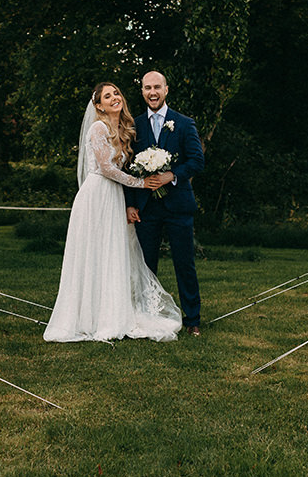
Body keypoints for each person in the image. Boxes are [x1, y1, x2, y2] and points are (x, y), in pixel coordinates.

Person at [43, 82, 183, 342]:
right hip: (97, 195)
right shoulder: (98, 127)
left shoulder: (123, 129)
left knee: (113, 253)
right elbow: (106, 168)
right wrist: (142, 183)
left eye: (116, 93)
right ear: (99, 106)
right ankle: (89, 318)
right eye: (108, 96)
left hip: (114, 197)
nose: (114, 98)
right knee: (94, 253)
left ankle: (111, 313)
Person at [125, 71, 205, 336]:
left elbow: (197, 161)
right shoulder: (134, 126)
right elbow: (126, 168)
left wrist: (172, 175)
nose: (152, 92)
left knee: (184, 263)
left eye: (157, 87)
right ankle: (148, 317)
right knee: (146, 266)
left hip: (178, 206)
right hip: (146, 208)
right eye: (147, 88)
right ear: (143, 92)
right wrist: (130, 204)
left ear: (166, 90)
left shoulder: (183, 123)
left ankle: (192, 318)